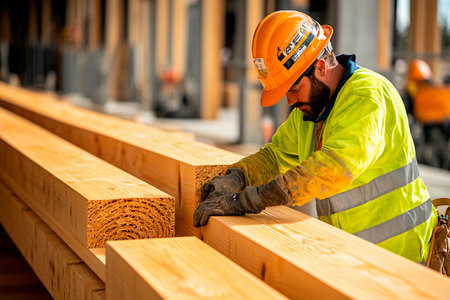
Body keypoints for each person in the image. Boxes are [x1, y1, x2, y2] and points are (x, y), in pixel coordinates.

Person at [193, 10, 438, 263]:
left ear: (320, 67)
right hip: (357, 260)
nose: (289, 100)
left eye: (294, 88)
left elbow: (334, 167)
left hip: (407, 258)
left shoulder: (366, 95)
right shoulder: (311, 113)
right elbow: (275, 156)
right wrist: (238, 177)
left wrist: (251, 199)